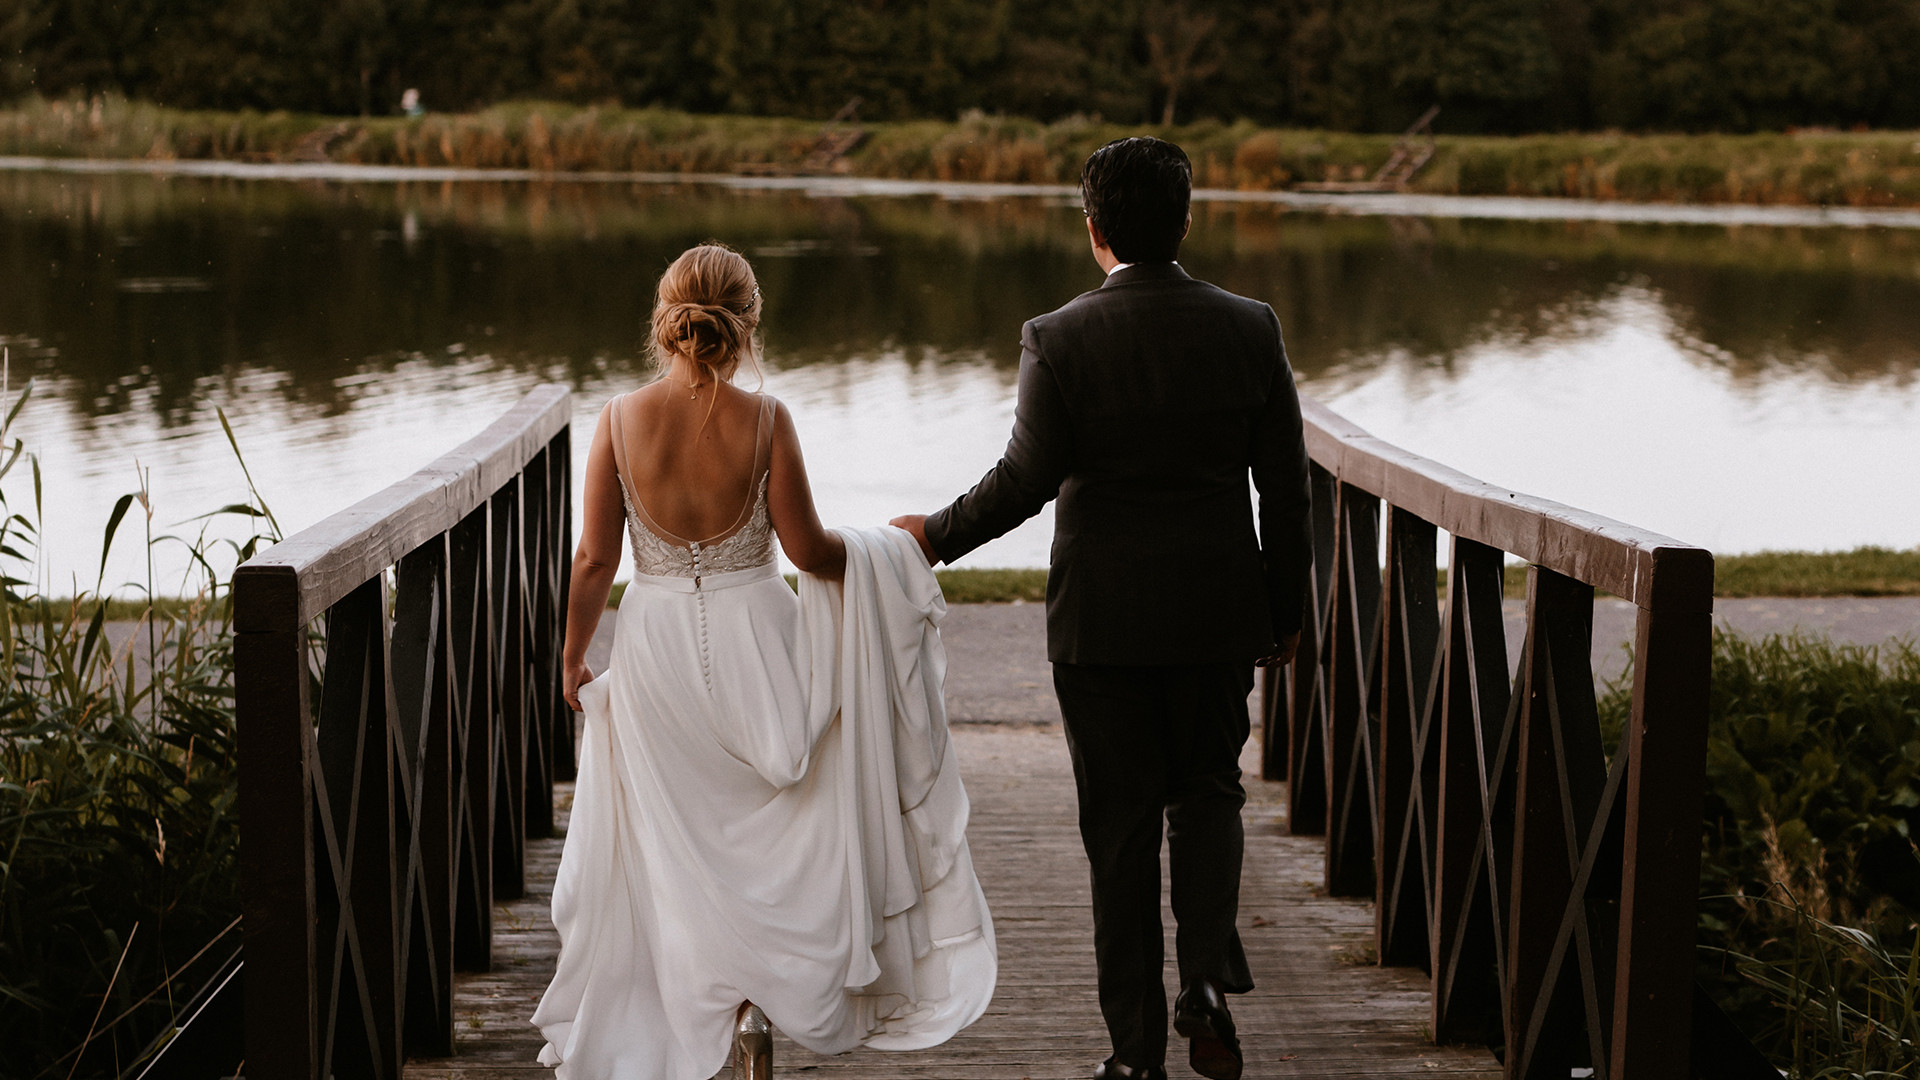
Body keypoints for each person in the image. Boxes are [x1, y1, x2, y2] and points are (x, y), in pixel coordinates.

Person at [891, 137, 1312, 1080]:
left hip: (1102, 625)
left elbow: (1026, 480)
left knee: (1118, 829)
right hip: (1214, 617)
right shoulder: (1252, 327)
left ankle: (1133, 1057)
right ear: (1187, 220)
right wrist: (1284, 611)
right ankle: (1202, 980)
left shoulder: (1061, 335)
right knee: (1208, 794)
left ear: (1094, 231)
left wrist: (934, 533)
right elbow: (1286, 492)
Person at [533, 244, 997, 1079]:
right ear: (748, 322)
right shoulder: (768, 420)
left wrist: (571, 657)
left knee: (684, 845)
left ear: (663, 319)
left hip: (658, 645)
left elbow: (594, 560)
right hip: (761, 637)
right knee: (782, 828)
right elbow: (811, 551)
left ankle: (717, 1005)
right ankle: (755, 1005)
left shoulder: (617, 419)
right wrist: (888, 550)